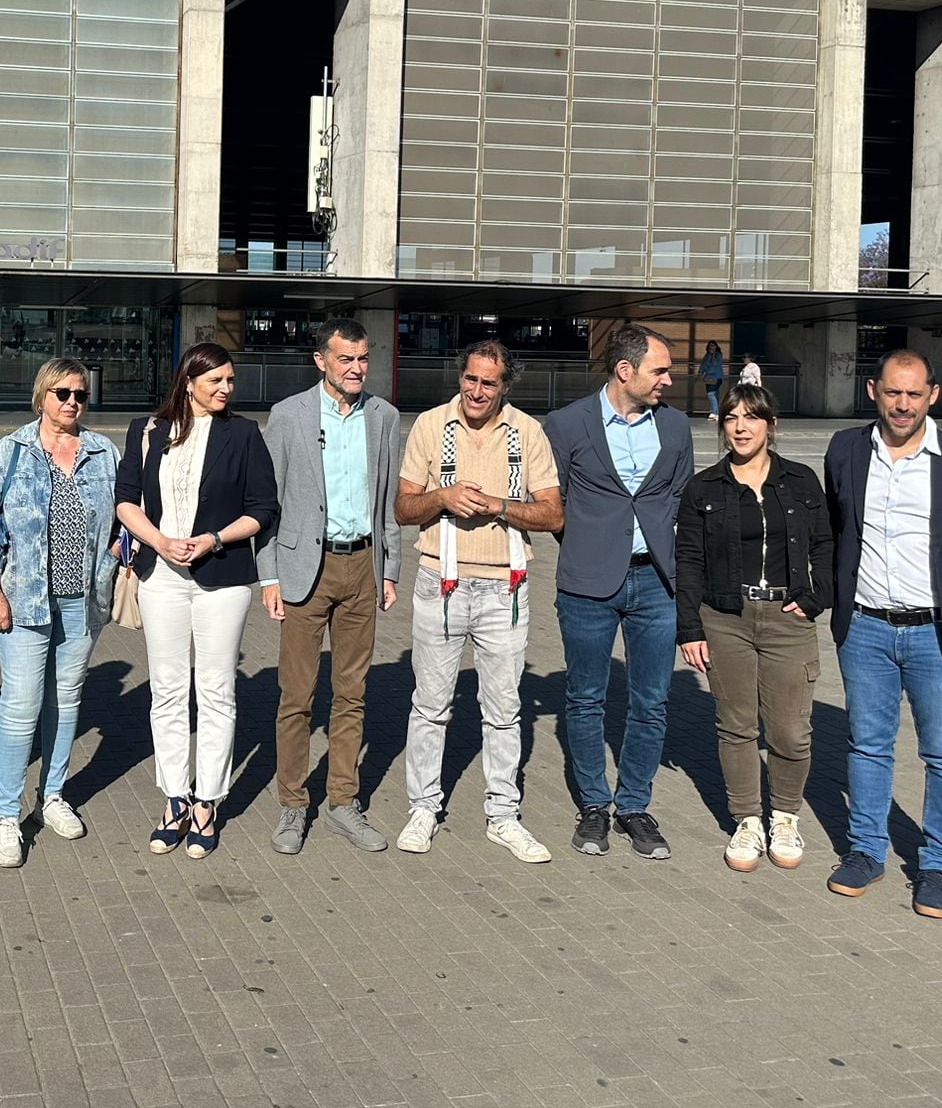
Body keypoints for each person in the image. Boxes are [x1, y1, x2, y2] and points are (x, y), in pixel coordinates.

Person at [823, 350, 942, 919]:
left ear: (933, 395)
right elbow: (839, 529)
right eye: (892, 392)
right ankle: (865, 852)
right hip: (865, 629)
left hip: (937, 632)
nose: (902, 405)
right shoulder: (846, 450)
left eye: (913, 393)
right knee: (867, 746)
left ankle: (939, 866)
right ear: (873, 391)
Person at [392, 340, 564, 861]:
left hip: (504, 589)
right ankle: (423, 808)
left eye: (488, 383)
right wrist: (441, 498)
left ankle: (503, 814)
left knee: (505, 710)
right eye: (470, 378)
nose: (476, 391)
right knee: (430, 704)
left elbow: (552, 515)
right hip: (438, 582)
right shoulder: (430, 425)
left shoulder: (527, 432)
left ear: (504, 387)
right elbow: (402, 508)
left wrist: (497, 505)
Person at [115, 342, 278, 859]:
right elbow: (125, 499)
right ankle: (174, 798)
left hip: (223, 577)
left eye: (230, 380)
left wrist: (214, 539)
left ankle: (208, 800)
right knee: (166, 690)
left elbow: (263, 508)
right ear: (188, 382)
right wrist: (160, 541)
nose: (226, 389)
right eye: (216, 382)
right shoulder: (147, 430)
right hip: (159, 575)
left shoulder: (244, 433)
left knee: (215, 692)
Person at [544, 324, 694, 860]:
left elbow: (679, 498)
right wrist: (589, 545)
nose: (669, 381)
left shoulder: (676, 427)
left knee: (651, 702)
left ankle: (634, 806)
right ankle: (593, 807)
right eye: (660, 370)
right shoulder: (565, 424)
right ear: (624, 371)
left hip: (656, 581)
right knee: (585, 699)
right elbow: (552, 502)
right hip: (588, 583)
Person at [0, 358, 120, 869]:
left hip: (82, 600)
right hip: (24, 600)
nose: (73, 401)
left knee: (67, 698)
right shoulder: (11, 452)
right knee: (21, 704)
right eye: (62, 393)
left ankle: (52, 795)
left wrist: (121, 556)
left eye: (80, 393)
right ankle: (7, 814)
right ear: (42, 397)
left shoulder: (103, 452)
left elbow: (122, 518)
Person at [259, 318, 402, 855]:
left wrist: (389, 569)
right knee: (296, 696)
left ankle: (343, 802)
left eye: (363, 358)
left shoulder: (384, 417)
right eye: (346, 359)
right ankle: (294, 805)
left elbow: (387, 498)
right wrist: (268, 573)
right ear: (321, 361)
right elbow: (268, 501)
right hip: (302, 570)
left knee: (353, 694)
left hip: (362, 565)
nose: (357, 368)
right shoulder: (288, 415)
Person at [675, 383, 832, 873]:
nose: (741, 427)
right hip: (726, 619)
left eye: (751, 417)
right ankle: (746, 819)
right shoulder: (704, 488)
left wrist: (815, 598)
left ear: (771, 425)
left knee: (790, 730)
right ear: (721, 426)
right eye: (731, 418)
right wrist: (689, 628)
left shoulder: (802, 481)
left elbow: (826, 545)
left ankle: (784, 816)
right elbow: (689, 561)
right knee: (737, 726)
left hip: (788, 619)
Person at [701, 341, 725, 419]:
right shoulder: (707, 355)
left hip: (716, 377)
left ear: (716, 347)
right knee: (714, 394)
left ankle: (714, 412)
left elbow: (715, 365)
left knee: (711, 394)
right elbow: (703, 365)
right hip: (708, 378)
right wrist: (701, 373)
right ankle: (716, 412)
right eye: (710, 346)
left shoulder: (718, 355)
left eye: (713, 346)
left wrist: (713, 355)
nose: (711, 348)